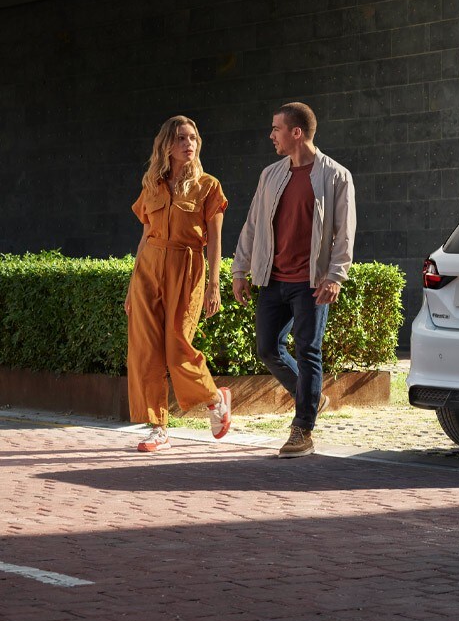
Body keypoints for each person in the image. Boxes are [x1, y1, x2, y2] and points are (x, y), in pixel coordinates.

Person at [232, 102, 356, 459]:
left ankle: (302, 429)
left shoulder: (335, 176)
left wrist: (335, 276)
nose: (271, 135)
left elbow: (344, 233)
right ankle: (312, 397)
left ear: (296, 132)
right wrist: (241, 270)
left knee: (308, 350)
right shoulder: (270, 174)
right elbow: (252, 225)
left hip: (311, 282)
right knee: (268, 348)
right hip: (273, 278)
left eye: (276, 129)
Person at [125, 115, 233, 452]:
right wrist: (132, 284)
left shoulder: (209, 186)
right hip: (148, 269)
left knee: (177, 347)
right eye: (182, 139)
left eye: (193, 138)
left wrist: (214, 285)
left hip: (187, 269)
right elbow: (145, 236)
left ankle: (214, 398)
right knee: (145, 351)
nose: (190, 144)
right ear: (167, 146)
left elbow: (214, 242)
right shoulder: (152, 184)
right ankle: (157, 427)